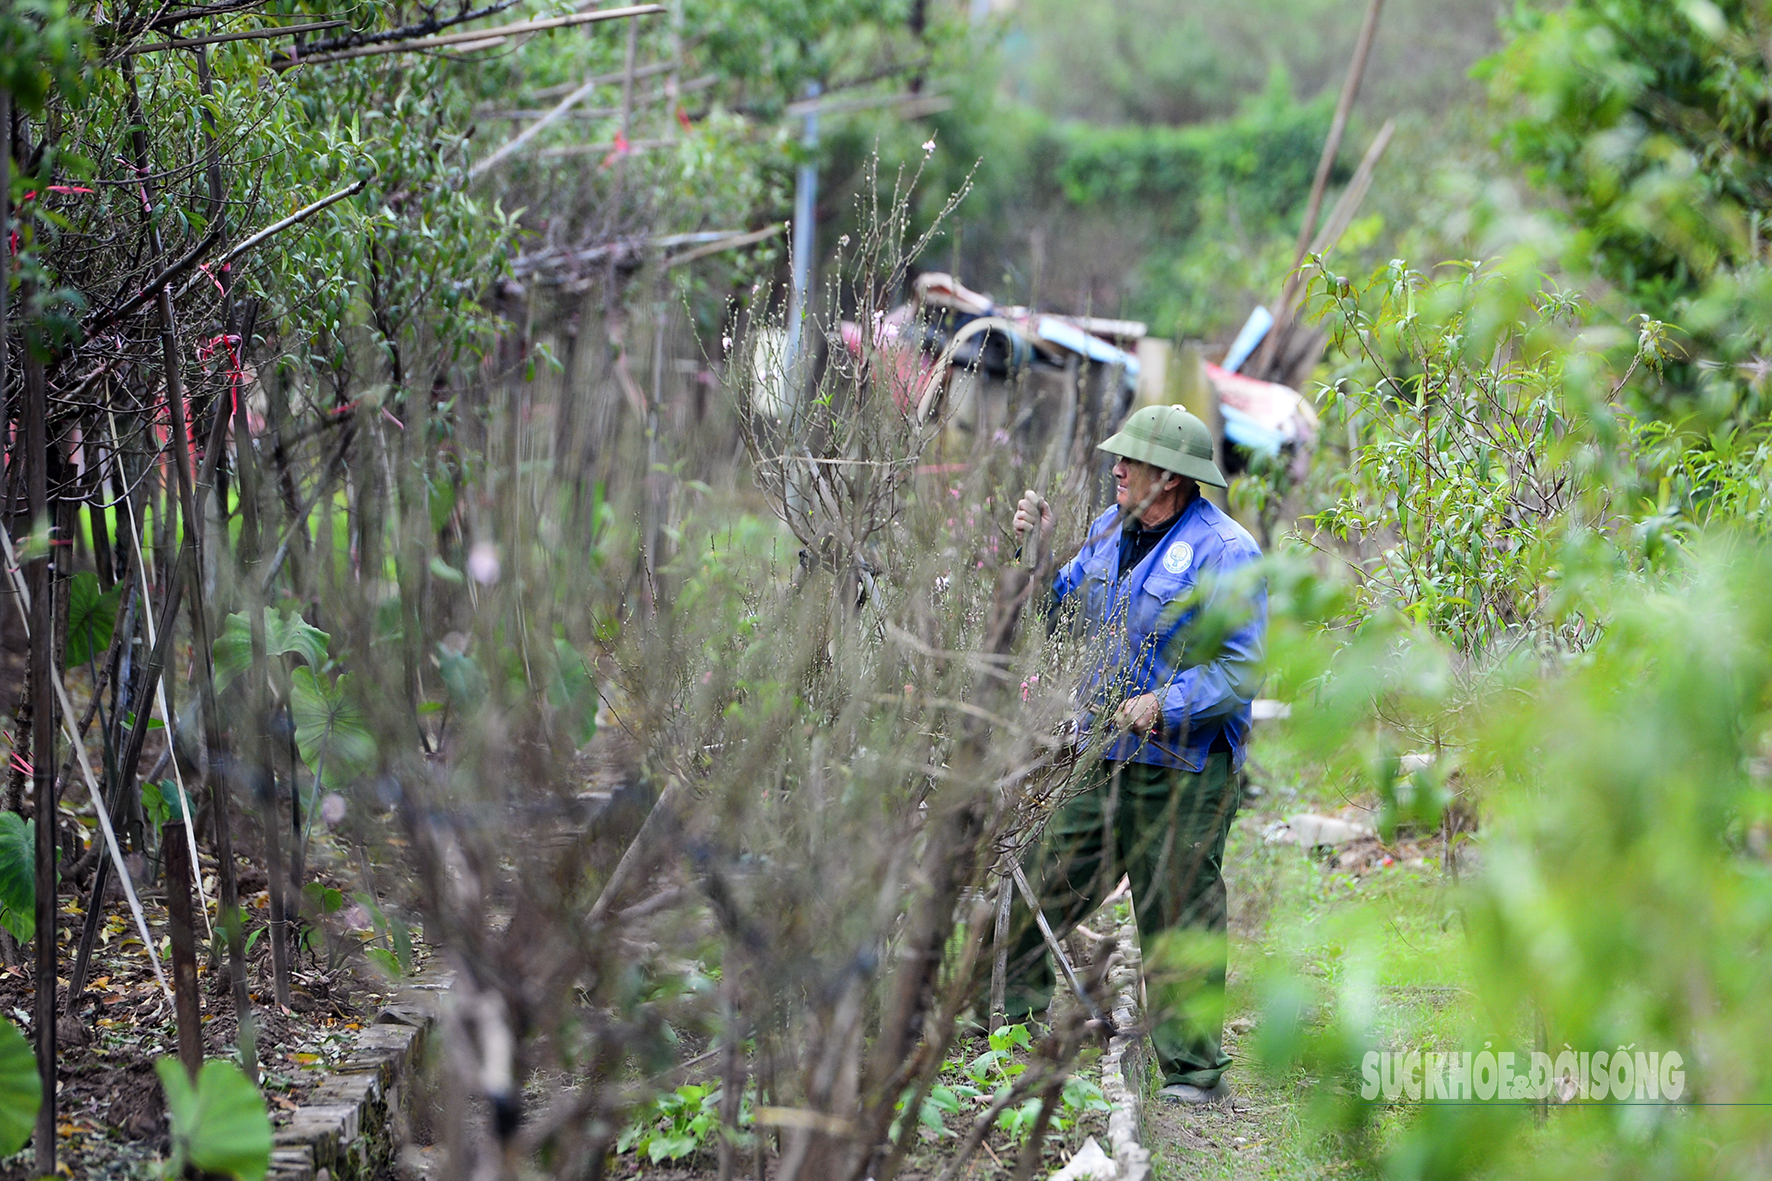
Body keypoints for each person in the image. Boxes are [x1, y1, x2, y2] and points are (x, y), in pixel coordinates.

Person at [1003, 403, 1265, 1106]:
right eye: (1117, 456)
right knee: (1041, 874)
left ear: (1171, 477)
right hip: (1103, 754)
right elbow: (1057, 614)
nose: (1115, 466)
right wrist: (1035, 552)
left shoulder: (1226, 551)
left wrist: (1164, 701)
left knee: (1178, 913)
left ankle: (1194, 1072)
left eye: (1131, 458)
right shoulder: (1105, 530)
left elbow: (1241, 670)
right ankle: (1007, 1018)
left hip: (1186, 771)